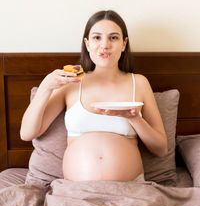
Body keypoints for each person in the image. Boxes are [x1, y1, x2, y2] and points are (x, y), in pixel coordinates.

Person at [20, 10, 168, 182]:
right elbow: (27, 133)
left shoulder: (139, 83)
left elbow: (161, 149)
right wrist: (46, 87)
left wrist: (135, 119)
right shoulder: (71, 83)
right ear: (87, 44)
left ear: (124, 44)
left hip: (129, 190)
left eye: (113, 38)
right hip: (78, 192)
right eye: (97, 38)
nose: (104, 45)